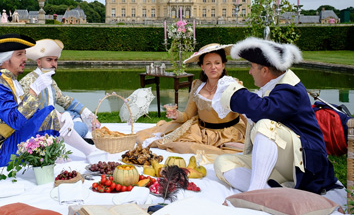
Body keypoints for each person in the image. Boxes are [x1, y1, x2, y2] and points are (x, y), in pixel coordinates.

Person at [213, 37, 341, 194]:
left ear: (265, 70)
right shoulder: (274, 86)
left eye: (252, 67)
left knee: (265, 125)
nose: (250, 71)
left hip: (306, 166)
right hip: (285, 162)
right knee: (222, 163)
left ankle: (256, 192)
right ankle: (272, 192)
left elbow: (263, 110)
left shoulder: (291, 90)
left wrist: (235, 93)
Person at [0, 34, 105, 168]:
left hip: (8, 141)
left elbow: (31, 115)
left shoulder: (8, 80)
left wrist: (59, 116)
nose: (25, 59)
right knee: (52, 117)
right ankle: (90, 151)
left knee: (51, 114)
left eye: (24, 54)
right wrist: (34, 91)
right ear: (5, 59)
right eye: (19, 55)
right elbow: (16, 120)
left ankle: (88, 151)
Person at [136, 43, 247, 154]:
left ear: (223, 65)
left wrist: (253, 135)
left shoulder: (232, 86)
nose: (213, 67)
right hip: (201, 133)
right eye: (208, 64)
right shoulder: (197, 86)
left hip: (229, 134)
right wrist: (176, 115)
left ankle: (226, 145)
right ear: (202, 67)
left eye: (217, 63)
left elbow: (247, 115)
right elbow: (187, 116)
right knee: (177, 145)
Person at [20, 39, 101, 138]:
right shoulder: (29, 80)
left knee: (75, 113)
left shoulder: (50, 81)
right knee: (82, 128)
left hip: (52, 121)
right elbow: (24, 112)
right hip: (38, 129)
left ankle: (70, 131)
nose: (53, 64)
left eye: (55, 60)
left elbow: (65, 101)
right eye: (49, 60)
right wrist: (58, 116)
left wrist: (91, 117)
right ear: (39, 62)